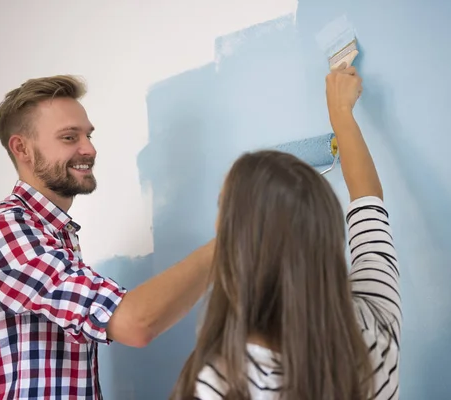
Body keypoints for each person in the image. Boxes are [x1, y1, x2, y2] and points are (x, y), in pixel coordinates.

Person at [0, 75, 214, 399]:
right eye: (69, 137)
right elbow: (135, 323)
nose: (89, 149)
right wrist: (230, 240)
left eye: (87, 135)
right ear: (22, 148)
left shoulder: (54, 234)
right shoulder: (3, 231)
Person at [169, 64, 401, 400]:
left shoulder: (218, 383)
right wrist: (341, 112)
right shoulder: (375, 331)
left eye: (224, 208)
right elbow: (369, 205)